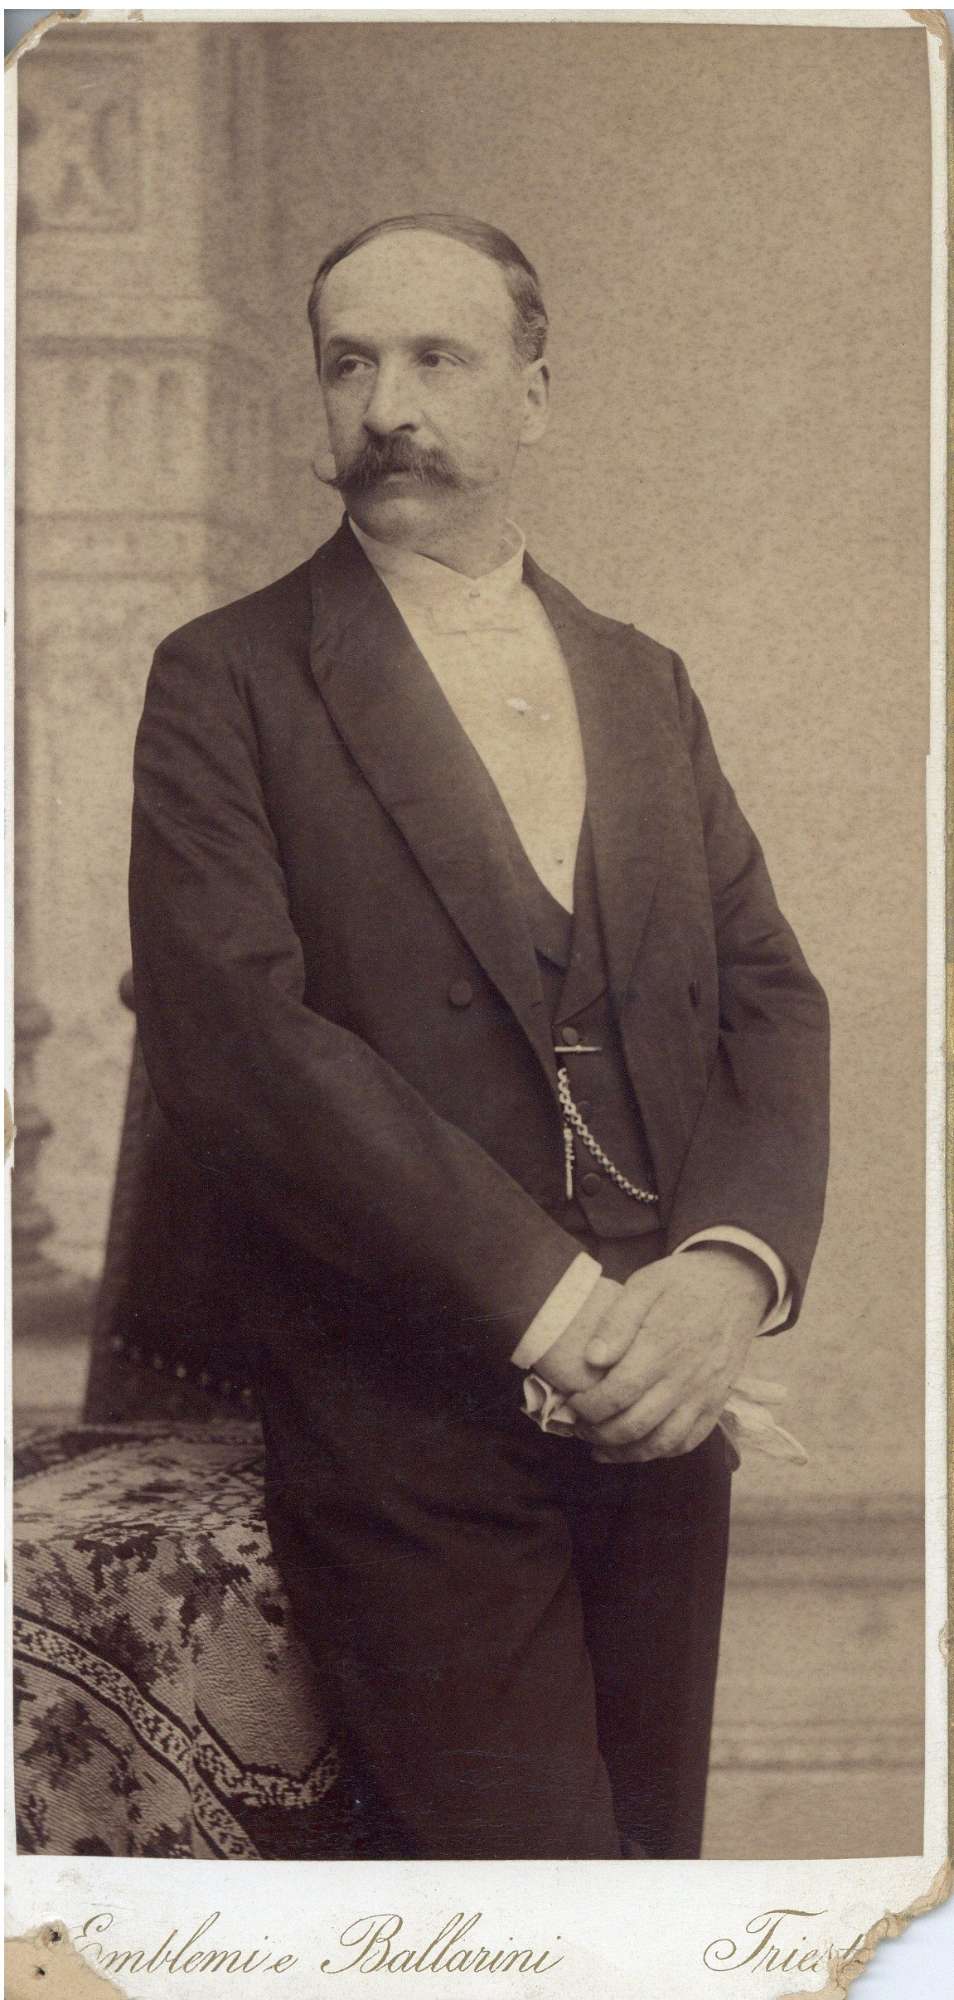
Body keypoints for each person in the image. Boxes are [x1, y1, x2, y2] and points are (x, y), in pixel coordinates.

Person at [129, 212, 829, 1861]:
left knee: (649, 1891)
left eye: (436, 359)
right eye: (348, 365)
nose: (387, 408)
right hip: (406, 1418)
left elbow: (767, 997)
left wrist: (724, 1272)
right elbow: (243, 1048)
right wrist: (556, 1308)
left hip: (664, 1405)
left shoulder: (641, 682)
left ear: (533, 394)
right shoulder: (226, 680)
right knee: (525, 1915)